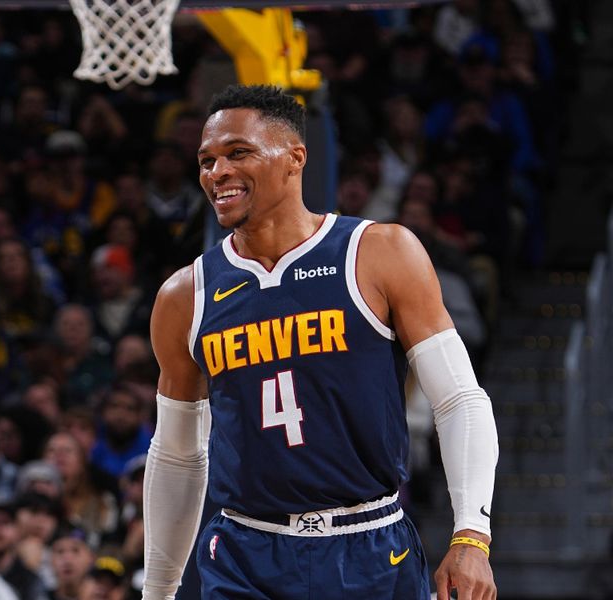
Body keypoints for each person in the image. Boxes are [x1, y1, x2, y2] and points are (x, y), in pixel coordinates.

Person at [142, 85, 498, 599]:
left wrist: (472, 534)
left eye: (238, 153)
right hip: (244, 553)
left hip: (371, 545)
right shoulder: (185, 294)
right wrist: (158, 590)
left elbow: (459, 398)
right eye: (206, 160)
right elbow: (177, 453)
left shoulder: (378, 252)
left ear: (295, 158)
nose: (216, 172)